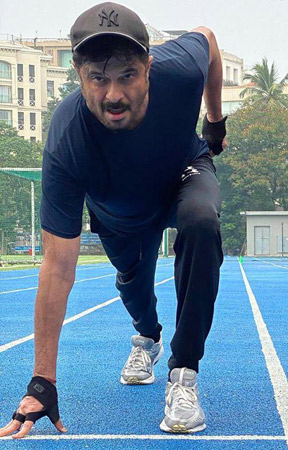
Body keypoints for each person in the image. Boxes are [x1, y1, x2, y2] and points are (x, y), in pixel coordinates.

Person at [0, 2, 226, 437]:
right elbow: (58, 266)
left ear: (149, 66)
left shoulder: (179, 70)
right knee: (135, 290)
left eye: (127, 76)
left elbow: (209, 40)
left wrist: (214, 120)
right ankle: (148, 338)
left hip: (184, 173)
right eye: (98, 79)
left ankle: (184, 373)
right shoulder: (67, 139)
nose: (114, 95)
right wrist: (42, 381)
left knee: (201, 222)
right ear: (80, 77)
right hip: (121, 216)